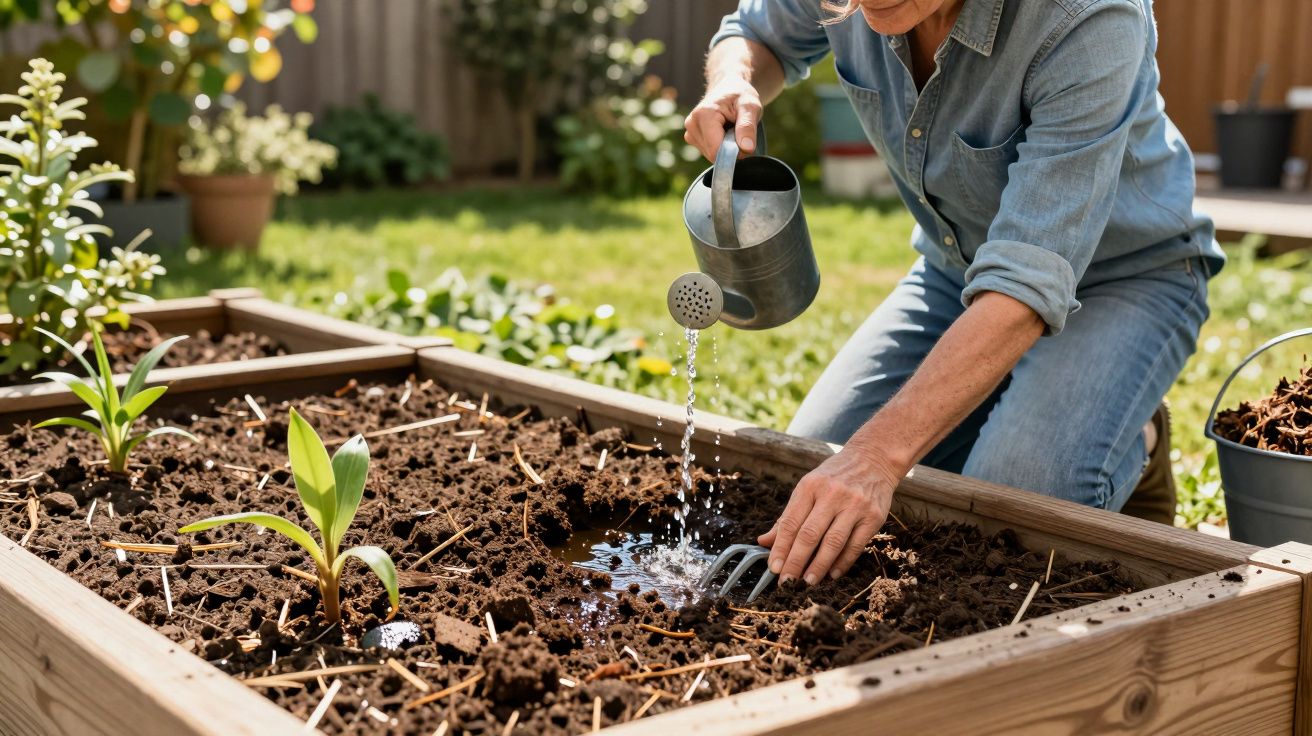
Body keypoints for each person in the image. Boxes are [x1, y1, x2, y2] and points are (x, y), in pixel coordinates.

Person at [685, 0, 1222, 586]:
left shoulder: (1089, 17)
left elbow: (1025, 280)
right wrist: (732, 79)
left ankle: (1135, 432)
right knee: (814, 464)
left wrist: (878, 458)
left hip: (1124, 277)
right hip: (958, 271)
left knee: (1010, 507)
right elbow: (756, 34)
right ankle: (1006, 399)